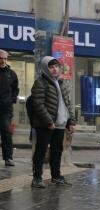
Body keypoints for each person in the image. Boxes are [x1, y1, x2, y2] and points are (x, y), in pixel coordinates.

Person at [29, 56, 75, 188]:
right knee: (41, 151)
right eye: (51, 66)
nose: (55, 69)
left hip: (60, 124)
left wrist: (71, 121)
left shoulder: (62, 83)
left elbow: (68, 104)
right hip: (45, 124)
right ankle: (37, 178)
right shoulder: (40, 83)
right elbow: (38, 104)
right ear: (45, 68)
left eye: (56, 66)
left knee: (57, 151)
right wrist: (48, 121)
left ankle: (56, 176)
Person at [0, 49, 18, 167]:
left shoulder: (11, 73)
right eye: (1, 58)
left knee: (6, 133)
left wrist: (12, 100)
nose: (3, 61)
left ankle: (8, 158)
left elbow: (15, 89)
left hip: (5, 110)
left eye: (5, 58)